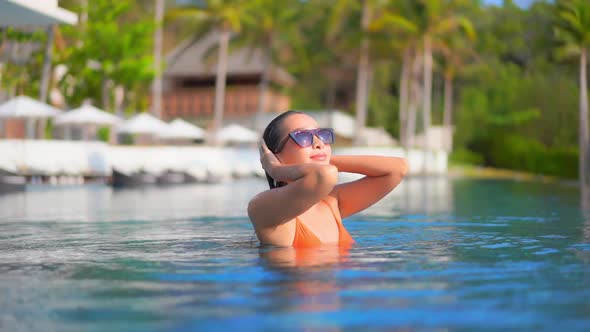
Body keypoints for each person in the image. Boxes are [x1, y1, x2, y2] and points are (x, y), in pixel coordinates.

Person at [248, 110, 408, 248]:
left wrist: (323, 158)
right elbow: (324, 175)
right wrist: (275, 170)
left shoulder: (331, 202)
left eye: (321, 135)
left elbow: (398, 168)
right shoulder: (263, 208)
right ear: (276, 155)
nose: (318, 143)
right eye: (302, 136)